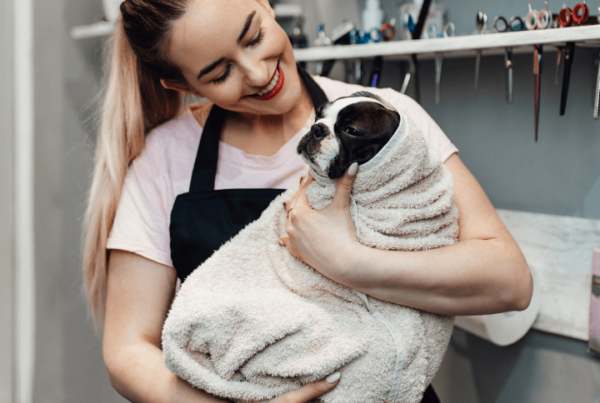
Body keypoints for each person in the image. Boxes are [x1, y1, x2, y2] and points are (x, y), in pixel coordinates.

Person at [82, 0, 533, 402]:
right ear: (181, 85)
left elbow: (510, 282)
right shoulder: (163, 158)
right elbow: (126, 350)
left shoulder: (390, 124)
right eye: (220, 73)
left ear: (265, 3)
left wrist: (347, 262)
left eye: (254, 35)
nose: (259, 73)